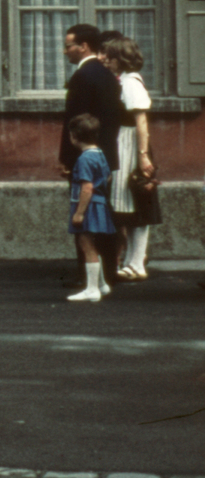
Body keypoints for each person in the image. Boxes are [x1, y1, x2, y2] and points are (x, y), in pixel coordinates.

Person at [60, 23, 124, 284]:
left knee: (83, 217)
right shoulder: (108, 75)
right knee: (105, 215)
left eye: (68, 46)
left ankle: (87, 275)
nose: (66, 52)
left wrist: (66, 158)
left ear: (83, 46)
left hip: (84, 156)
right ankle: (107, 272)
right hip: (107, 153)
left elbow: (74, 123)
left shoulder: (82, 77)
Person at [102, 36, 160, 281]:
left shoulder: (131, 83)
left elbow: (141, 121)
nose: (105, 60)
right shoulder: (121, 81)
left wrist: (142, 156)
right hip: (123, 144)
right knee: (131, 203)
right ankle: (131, 261)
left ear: (120, 59)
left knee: (138, 201)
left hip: (130, 146)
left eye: (109, 56)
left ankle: (137, 262)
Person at [65, 113, 115, 303]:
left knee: (86, 244)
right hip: (100, 203)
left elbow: (87, 187)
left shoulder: (84, 159)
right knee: (93, 245)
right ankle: (101, 284)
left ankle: (92, 289)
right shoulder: (100, 154)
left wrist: (79, 212)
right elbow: (107, 177)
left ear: (74, 136)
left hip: (89, 206)